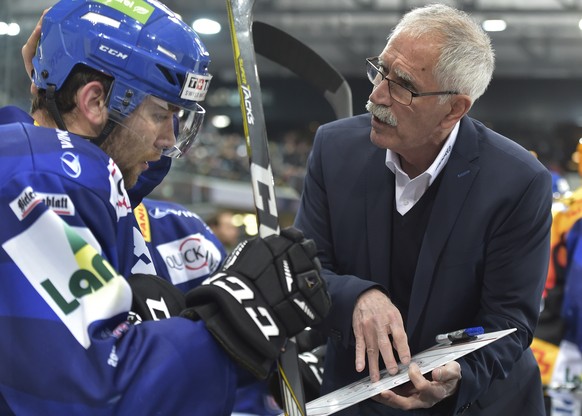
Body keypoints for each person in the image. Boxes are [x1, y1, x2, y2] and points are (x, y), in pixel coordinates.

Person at [0, 1, 331, 414]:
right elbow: (91, 394)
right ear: (94, 101)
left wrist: (262, 380)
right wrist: (231, 324)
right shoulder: (38, 173)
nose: (167, 140)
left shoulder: (141, 212)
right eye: (161, 113)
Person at [294, 4, 552, 416]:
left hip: (475, 403)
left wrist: (460, 374)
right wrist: (358, 296)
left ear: (454, 110)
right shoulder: (333, 148)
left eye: (403, 86)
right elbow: (304, 268)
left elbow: (510, 321)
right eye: (380, 70)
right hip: (358, 399)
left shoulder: (519, 182)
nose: (376, 95)